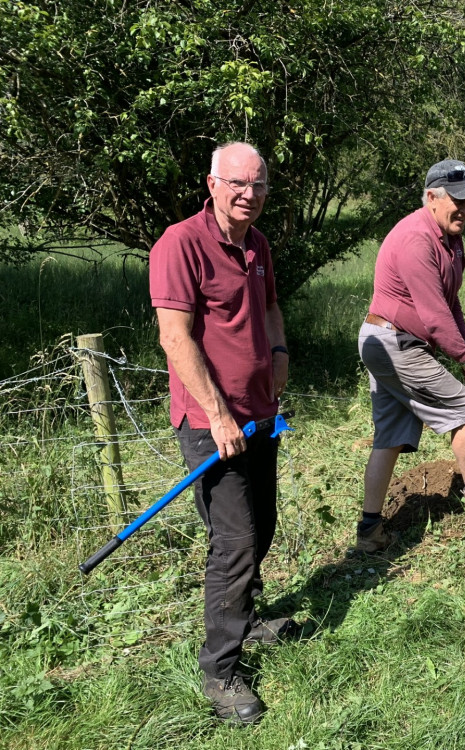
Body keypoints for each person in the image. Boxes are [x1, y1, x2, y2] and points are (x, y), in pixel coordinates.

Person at [149, 141, 294, 724]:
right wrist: (217, 413)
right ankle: (220, 670)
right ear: (211, 183)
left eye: (258, 186)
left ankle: (249, 620)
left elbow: (271, 307)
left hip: (260, 412)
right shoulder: (180, 244)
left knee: (263, 525)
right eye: (237, 183)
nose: (248, 195)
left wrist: (279, 350)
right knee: (233, 544)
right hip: (213, 422)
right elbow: (176, 337)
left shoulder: (257, 245)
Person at [356, 159, 465, 553]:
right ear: (431, 197)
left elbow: (451, 304)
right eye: (457, 200)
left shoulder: (450, 237)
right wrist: (463, 357)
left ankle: (369, 531)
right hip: (394, 340)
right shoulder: (417, 239)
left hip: (393, 340)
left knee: (391, 436)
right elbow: (433, 316)